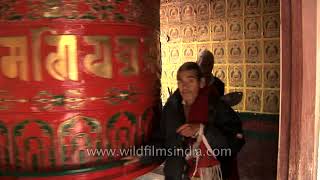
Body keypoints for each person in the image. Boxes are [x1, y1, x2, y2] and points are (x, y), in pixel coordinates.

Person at [163, 62, 244, 179]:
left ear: (201, 83)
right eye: (180, 82)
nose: (184, 87)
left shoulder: (217, 106)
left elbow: (235, 144)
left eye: (190, 81)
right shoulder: (172, 108)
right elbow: (162, 138)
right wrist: (144, 156)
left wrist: (202, 130)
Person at [197, 50, 243, 180]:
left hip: (214, 135)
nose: (204, 67)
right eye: (201, 63)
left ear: (212, 66)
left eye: (208, 64)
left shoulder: (218, 85)